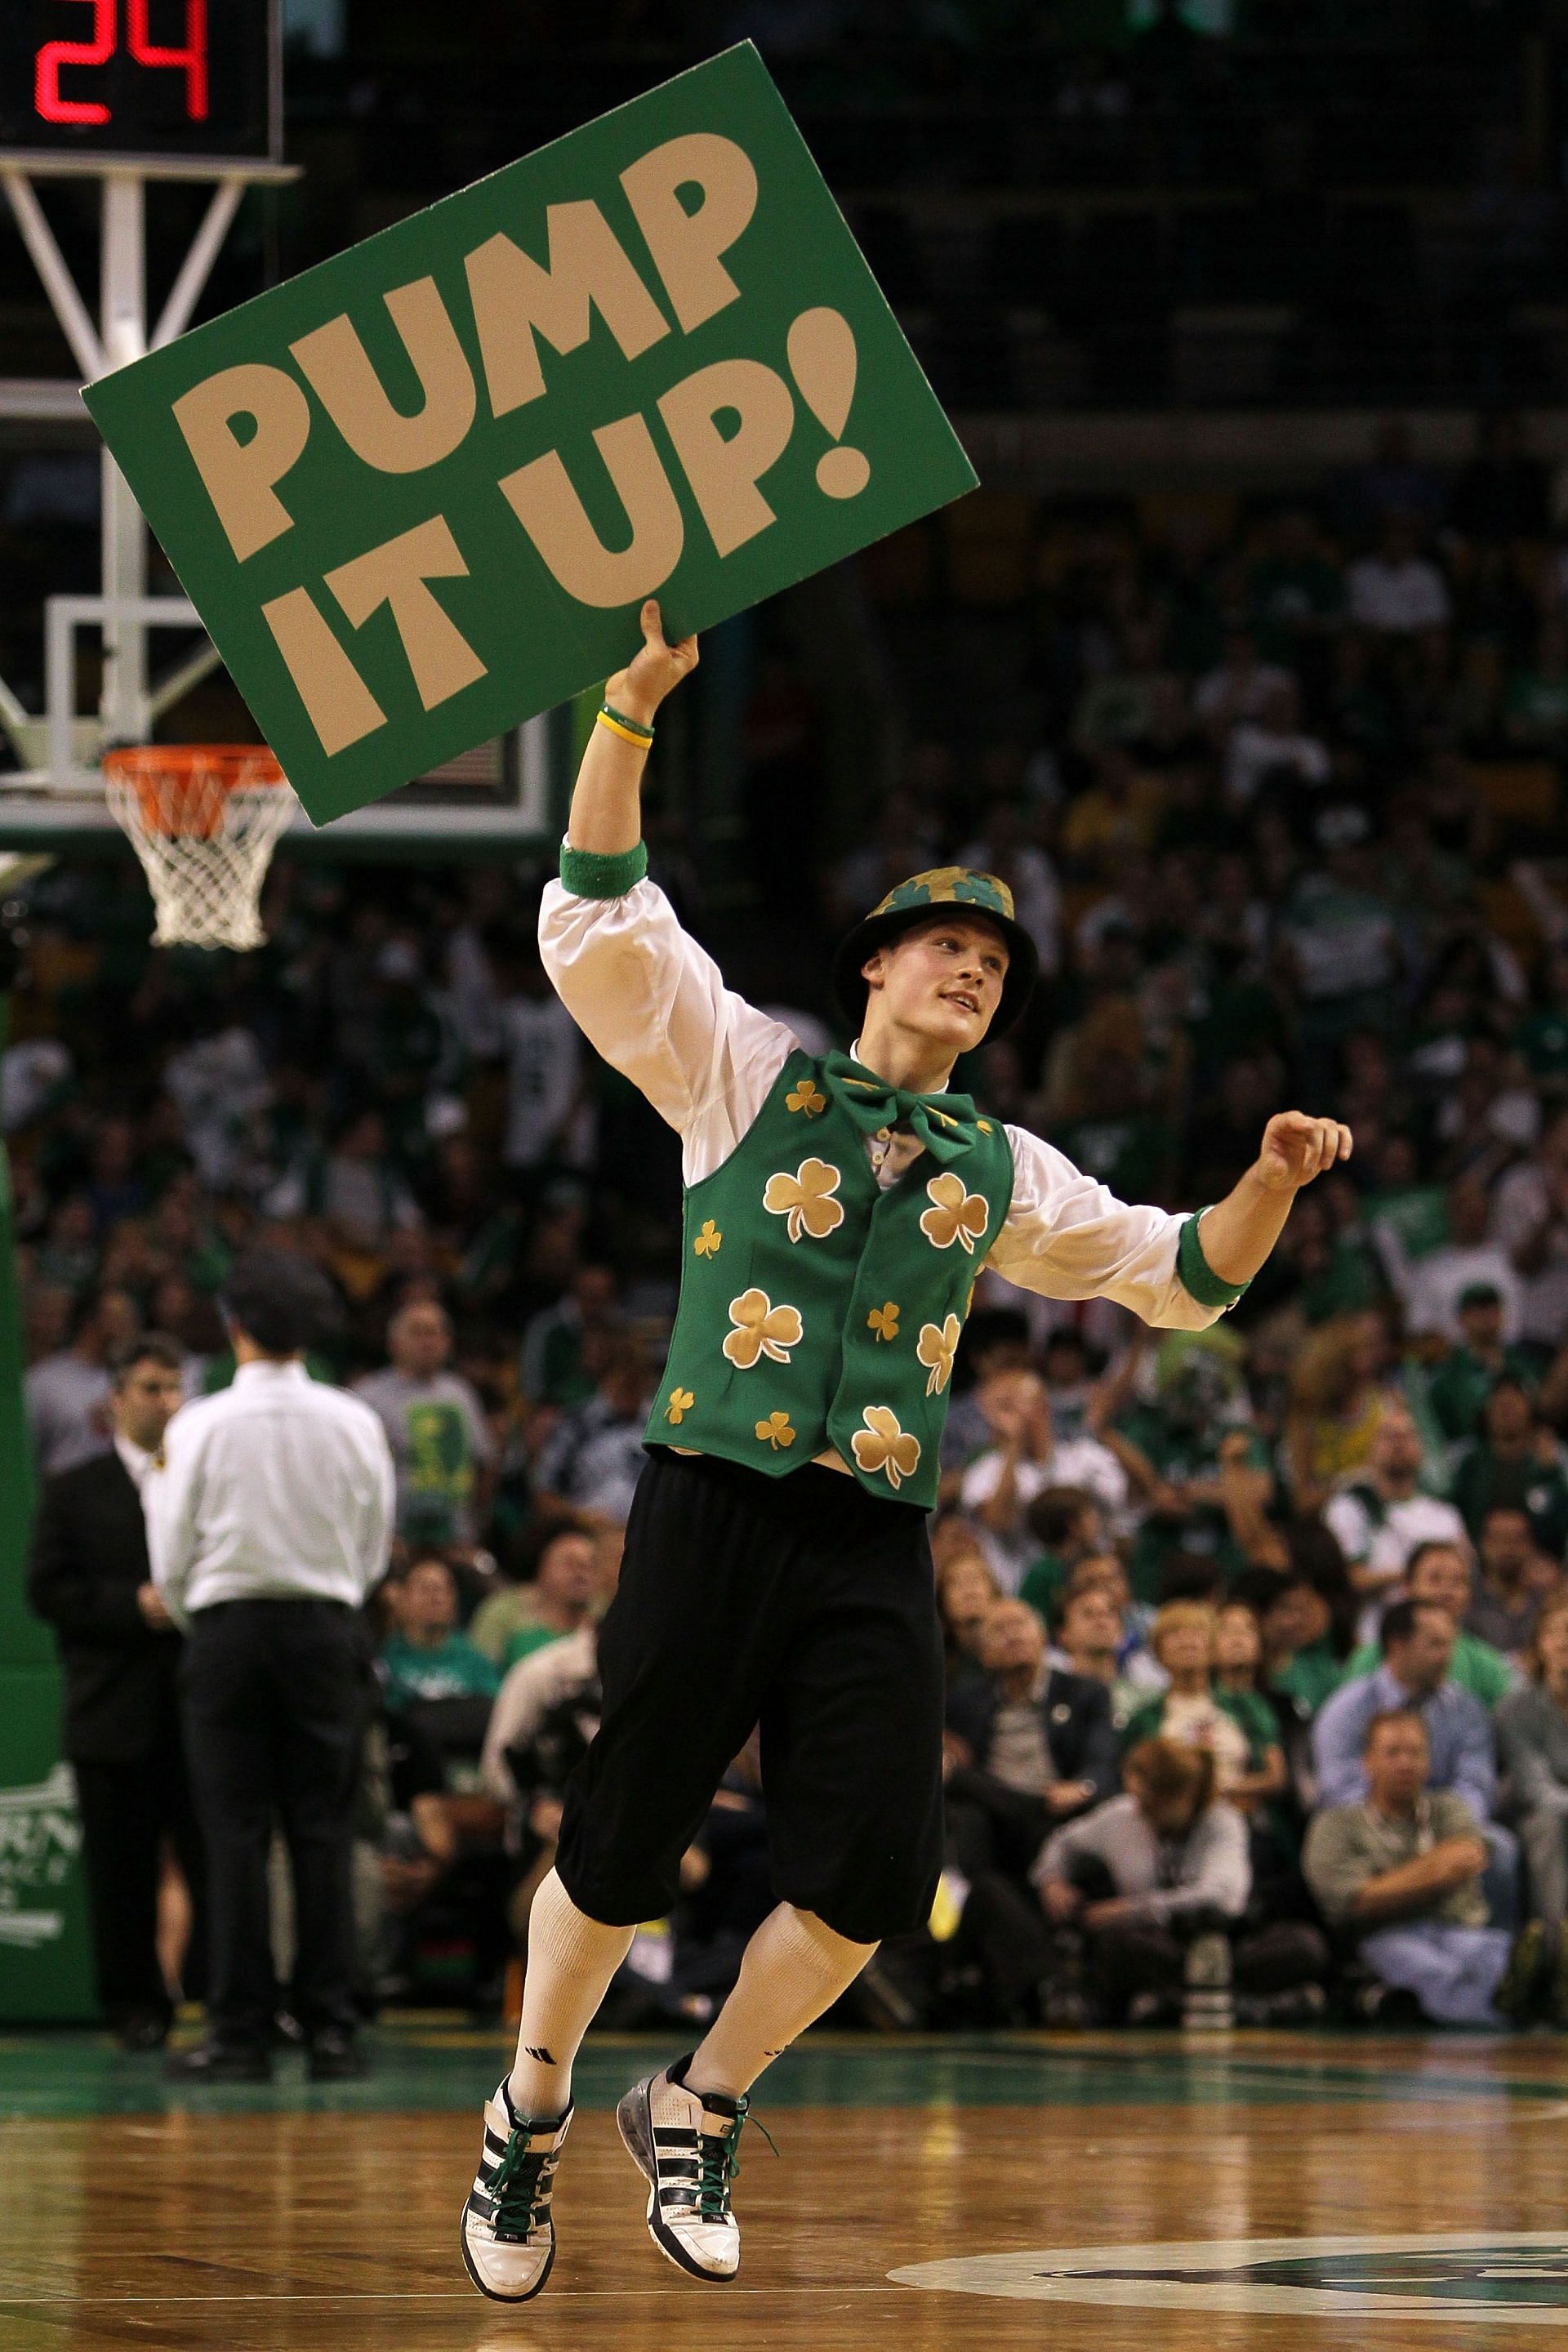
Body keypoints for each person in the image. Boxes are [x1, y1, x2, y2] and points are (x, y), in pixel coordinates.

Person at [458, 597, 1352, 2305]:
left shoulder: (1003, 1166)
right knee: (622, 1843)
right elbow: (596, 921)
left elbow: (1182, 1278)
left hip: (869, 1528)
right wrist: (631, 712)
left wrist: (1272, 1182)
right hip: (711, 1498)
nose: (969, 966)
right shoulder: (743, 1075)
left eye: (994, 963)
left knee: (872, 1874)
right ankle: (531, 2100)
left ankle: (696, 2101)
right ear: (873, 964)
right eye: (941, 942)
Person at [147, 1247, 394, 2083]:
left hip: (227, 1630)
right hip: (326, 1629)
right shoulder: (354, 1420)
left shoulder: (199, 1424)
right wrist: (330, 1605)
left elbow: (171, 1554)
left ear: (234, 1327)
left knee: (234, 1833)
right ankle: (330, 2031)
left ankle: (240, 2032)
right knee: (323, 1829)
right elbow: (371, 1546)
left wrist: (204, 1621)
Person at [25, 1333, 201, 2050]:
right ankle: (131, 2006)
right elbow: (46, 1589)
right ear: (117, 1399)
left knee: (215, 1863)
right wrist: (129, 1606)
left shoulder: (202, 1477)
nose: (167, 1401)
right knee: (119, 1870)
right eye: (153, 1387)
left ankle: (227, 2002)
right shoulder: (75, 1488)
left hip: (197, 1708)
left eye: (174, 1387)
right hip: (111, 1708)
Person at [1034, 1740, 1324, 2025]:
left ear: (1185, 1796)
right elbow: (1062, 1843)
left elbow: (1222, 1898)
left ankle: (1175, 2001)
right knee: (1115, 1944)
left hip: (1221, 1940)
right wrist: (1052, 1879)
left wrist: (1133, 1909)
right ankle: (1239, 2004)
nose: (1142, 1811)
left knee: (1304, 1945)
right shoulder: (1125, 1815)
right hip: (1159, 1944)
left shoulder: (1222, 1821)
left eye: (1152, 1803)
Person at [1303, 1711, 1526, 2027]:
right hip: (1386, 1936)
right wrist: (1438, 1868)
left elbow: (1468, 1857)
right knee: (1438, 1974)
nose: (1405, 1763)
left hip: (1458, 1928)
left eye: (1415, 1752)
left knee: (1500, 1959)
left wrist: (1389, 1883)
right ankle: (1514, 2017)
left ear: (1429, 1761)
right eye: (1392, 1752)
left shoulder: (1449, 1807)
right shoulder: (1335, 1825)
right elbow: (1358, 1900)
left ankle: (1522, 2004)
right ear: (1368, 1762)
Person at [354, 1299, 496, 1550]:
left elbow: (483, 1463)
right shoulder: (368, 1397)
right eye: (417, 1332)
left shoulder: (461, 1394)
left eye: (435, 1333)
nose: (428, 1341)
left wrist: (476, 1525)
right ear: (393, 1343)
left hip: (456, 1539)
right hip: (394, 1540)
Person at [1321, 1405, 1466, 1632]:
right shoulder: (1350, 1506)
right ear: (1371, 1449)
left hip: (1436, 1634)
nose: (1398, 1443)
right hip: (1371, 1634)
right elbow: (1344, 1578)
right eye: (1388, 1436)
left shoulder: (1445, 1517)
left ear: (1421, 1448)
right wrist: (1413, 1576)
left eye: (1407, 1436)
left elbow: (1460, 1581)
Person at [1339, 1539, 1515, 1711]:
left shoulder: (1487, 1663)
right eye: (1434, 1579)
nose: (1447, 1591)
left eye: (1457, 1582)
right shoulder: (1370, 1657)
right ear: (1408, 1587)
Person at [1495, 1594, 1568, 1934]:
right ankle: (1554, 1947)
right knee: (1549, 1825)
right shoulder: (1516, 1707)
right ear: (1539, 1643)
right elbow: (1534, 1787)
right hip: (1532, 1814)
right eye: (1556, 1631)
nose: (1565, 1639)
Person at [468, 1518, 602, 1669]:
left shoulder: (605, 1618)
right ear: (542, 1568)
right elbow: (481, 1674)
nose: (581, 1574)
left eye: (589, 1565)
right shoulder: (507, 1617)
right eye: (569, 1564)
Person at [1465, 1505, 1551, 1659]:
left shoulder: (1546, 1604)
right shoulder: (1467, 1604)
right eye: (1499, 1539)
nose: (1508, 1548)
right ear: (1483, 1544)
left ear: (1531, 1545)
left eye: (1517, 1539)